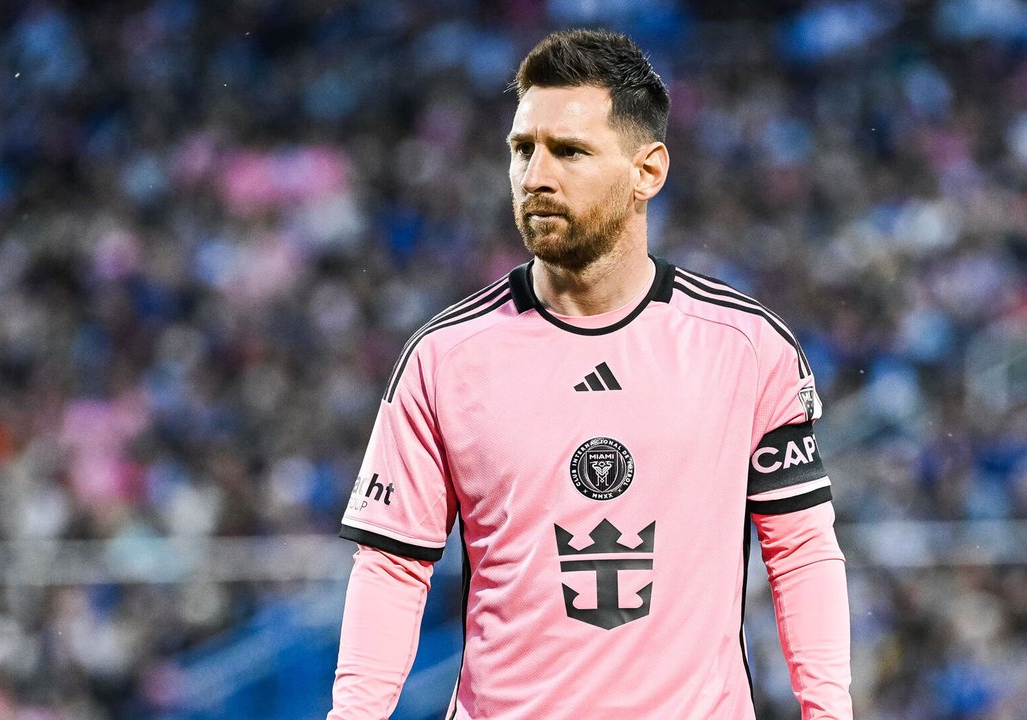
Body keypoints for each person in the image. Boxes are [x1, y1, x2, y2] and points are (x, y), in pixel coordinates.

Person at [329, 28, 852, 719]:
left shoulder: (746, 348)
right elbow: (393, 566)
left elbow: (801, 550)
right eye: (523, 149)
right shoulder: (445, 358)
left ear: (648, 172)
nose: (535, 177)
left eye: (569, 151)